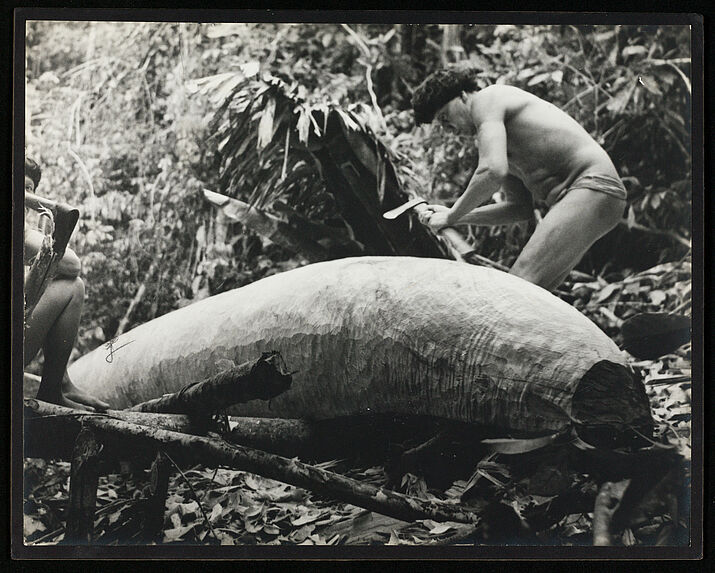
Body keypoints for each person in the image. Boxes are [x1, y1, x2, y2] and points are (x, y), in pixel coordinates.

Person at [411, 67, 628, 291]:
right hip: (596, 196)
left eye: (445, 117)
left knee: (516, 290)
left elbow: (492, 172)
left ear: (464, 96)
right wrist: (456, 218)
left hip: (591, 185)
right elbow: (518, 209)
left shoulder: (487, 99)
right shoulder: (493, 138)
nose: (449, 130)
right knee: (537, 296)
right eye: (442, 126)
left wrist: (451, 215)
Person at [23, 157, 110, 411]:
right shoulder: (21, 233)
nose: (25, 196)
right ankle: (55, 387)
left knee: (72, 286)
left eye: (29, 190)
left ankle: (58, 384)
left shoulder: (25, 231)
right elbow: (71, 264)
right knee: (74, 286)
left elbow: (69, 265)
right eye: (20, 188)